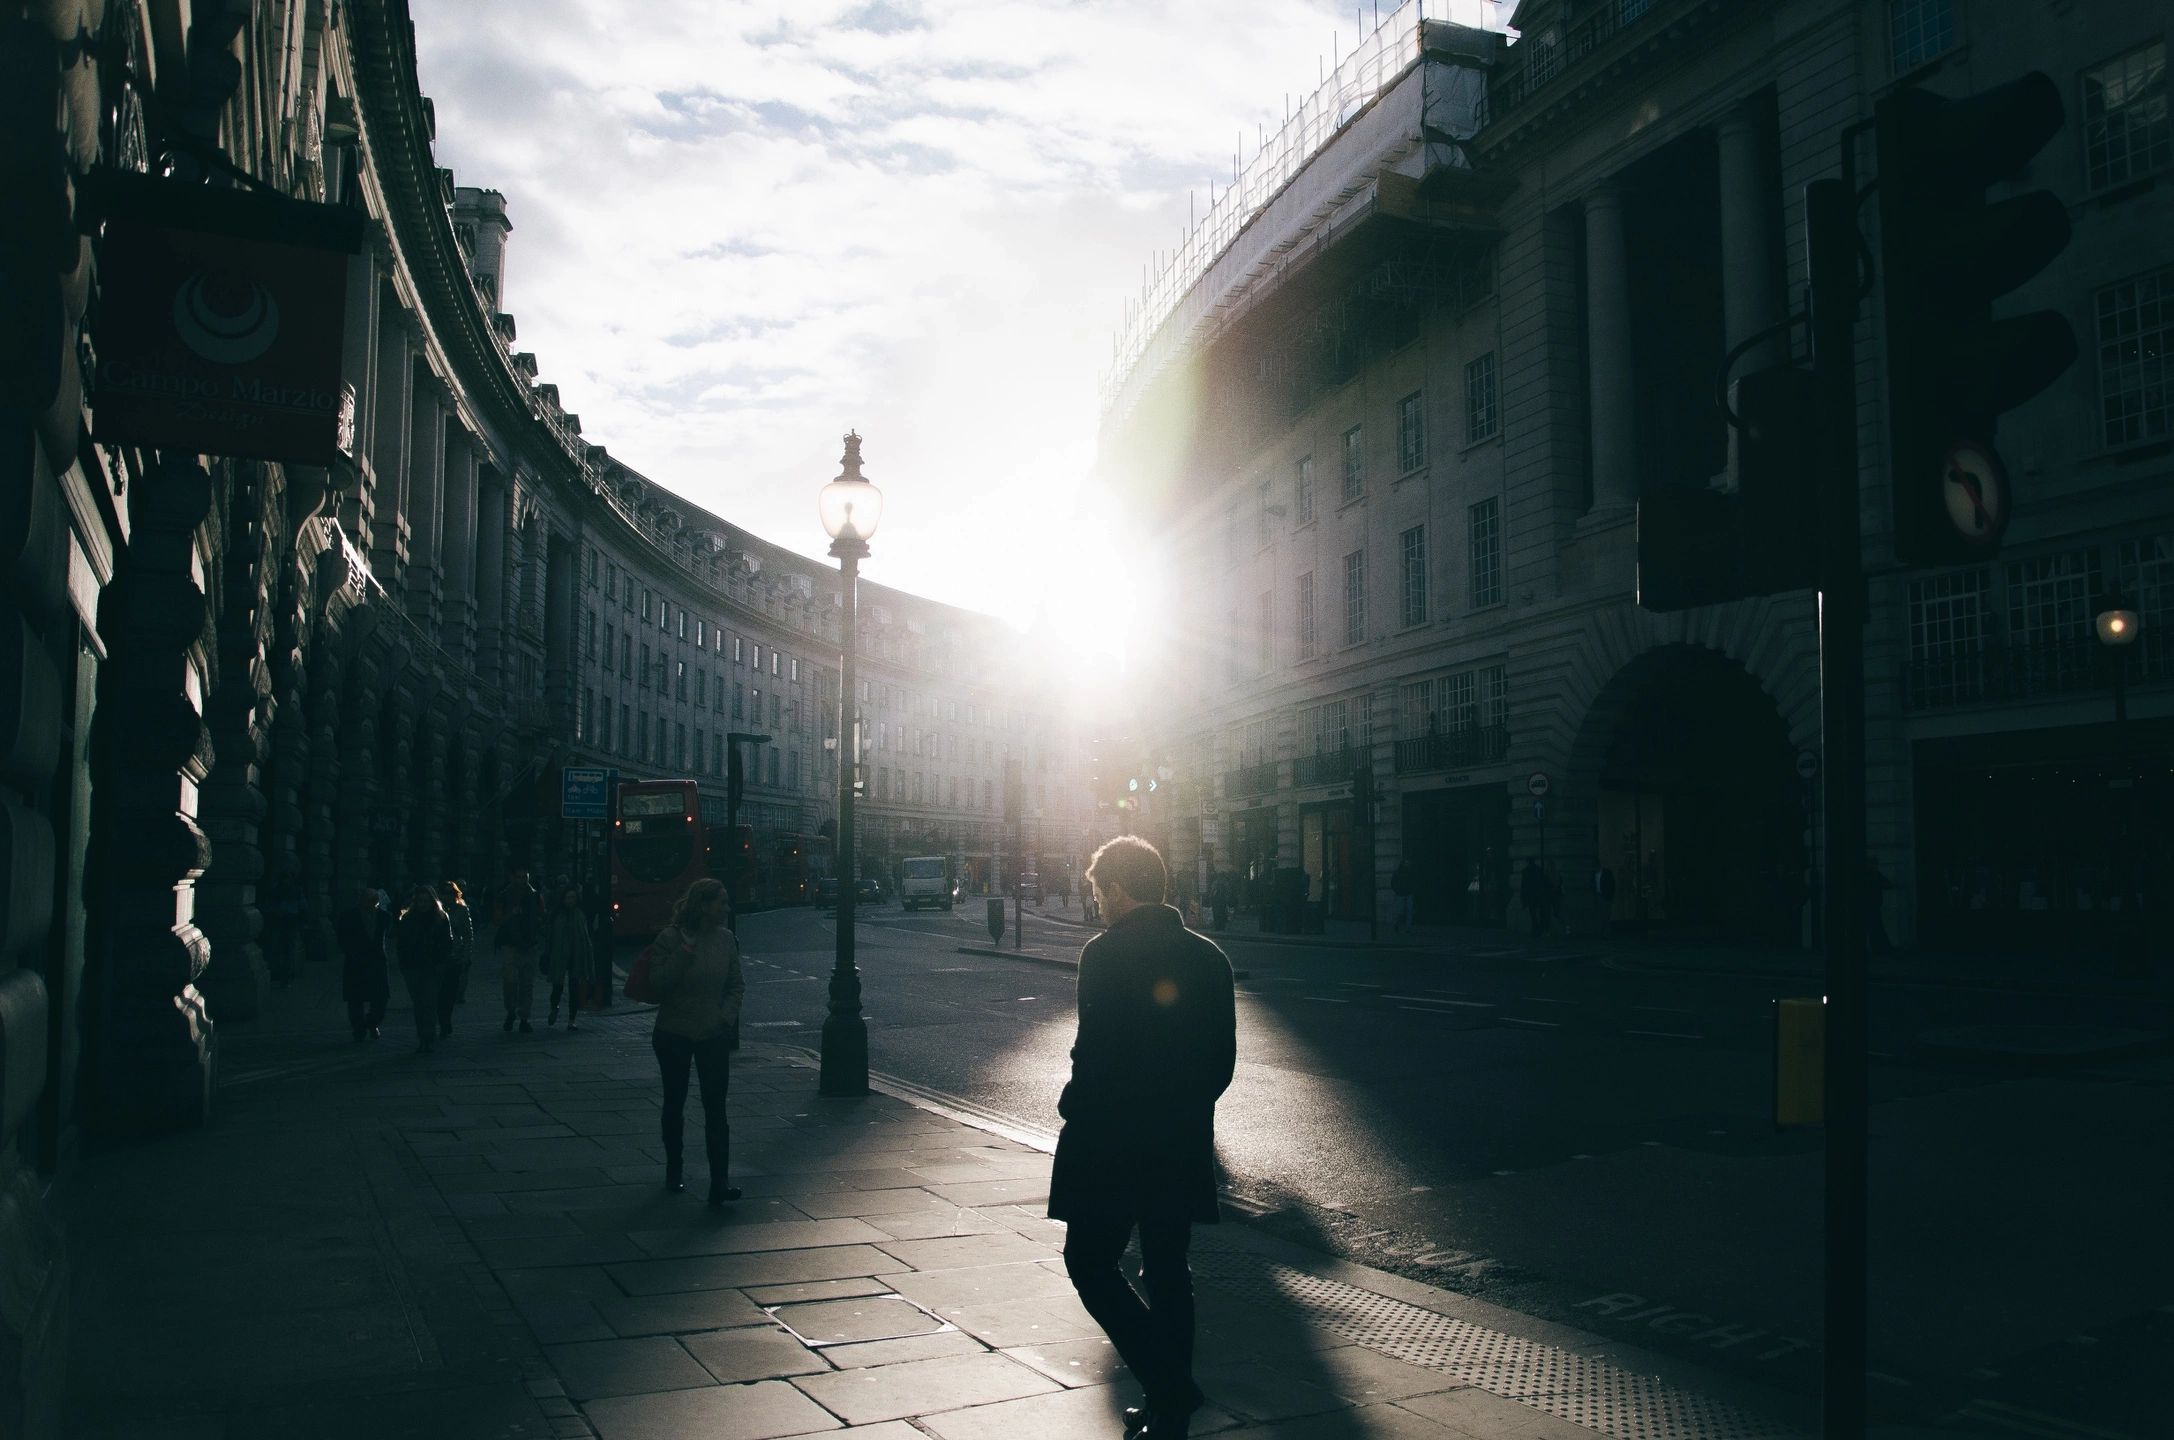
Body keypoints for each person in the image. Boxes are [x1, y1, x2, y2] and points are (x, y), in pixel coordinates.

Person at [1050, 837, 1236, 1440]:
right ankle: (1168, 1414)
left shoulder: (1103, 954)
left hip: (1111, 1143)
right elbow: (1222, 1064)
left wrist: (1074, 1105)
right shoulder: (1210, 957)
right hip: (1180, 1140)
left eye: (1099, 892)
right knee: (1166, 1268)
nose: (1097, 903)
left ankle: (1171, 1386)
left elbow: (1095, 1051)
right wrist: (1181, 1107)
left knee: (1090, 1263)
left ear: (1122, 890)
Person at [647, 876, 746, 1206]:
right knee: (674, 1104)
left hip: (712, 1034)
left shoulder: (727, 940)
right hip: (673, 1033)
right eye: (722, 902)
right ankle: (674, 1170)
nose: (727, 908)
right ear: (704, 905)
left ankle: (720, 1182)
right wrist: (685, 950)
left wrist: (725, 1018)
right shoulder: (669, 938)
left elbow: (736, 986)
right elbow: (659, 984)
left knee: (716, 1109)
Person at [394, 884, 452, 1053]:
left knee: (429, 1002)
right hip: (413, 967)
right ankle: (423, 1037)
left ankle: (428, 1037)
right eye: (420, 901)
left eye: (427, 900)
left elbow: (447, 943)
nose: (423, 904)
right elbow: (401, 944)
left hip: (433, 967)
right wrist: (404, 964)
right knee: (419, 1003)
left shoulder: (441, 918)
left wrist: (442, 962)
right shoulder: (408, 919)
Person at [336, 884, 390, 1041]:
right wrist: (351, 953)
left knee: (380, 1001)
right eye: (368, 900)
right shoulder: (348, 917)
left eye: (374, 900)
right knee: (355, 1000)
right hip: (356, 963)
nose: (371, 903)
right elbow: (342, 939)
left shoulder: (384, 917)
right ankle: (358, 1029)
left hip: (377, 962)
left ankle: (372, 1023)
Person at [494, 869, 543, 1033]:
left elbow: (542, 915)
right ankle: (510, 1010)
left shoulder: (535, 895)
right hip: (511, 945)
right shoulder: (504, 896)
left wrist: (537, 922)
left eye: (525, 877)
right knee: (510, 981)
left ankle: (524, 1017)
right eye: (518, 876)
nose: (522, 880)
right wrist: (511, 914)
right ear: (512, 877)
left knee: (527, 984)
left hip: (530, 945)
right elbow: (497, 919)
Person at [544, 883, 592, 1030]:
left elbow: (585, 937)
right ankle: (554, 1008)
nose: (571, 900)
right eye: (568, 897)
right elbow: (550, 935)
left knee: (574, 989)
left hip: (575, 956)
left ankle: (572, 1019)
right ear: (563, 899)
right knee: (557, 986)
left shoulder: (580, 914)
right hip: (559, 955)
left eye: (573, 897)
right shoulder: (557, 915)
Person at [439, 881, 475, 1038]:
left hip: (455, 955)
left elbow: (468, 934)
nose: (447, 896)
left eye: (450, 893)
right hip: (438, 956)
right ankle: (441, 1020)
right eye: (444, 893)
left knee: (450, 992)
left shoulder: (461, 910)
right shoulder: (435, 910)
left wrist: (465, 955)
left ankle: (445, 1019)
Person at [1390, 859, 1416, 934]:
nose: (1407, 865)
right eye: (1406, 863)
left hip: (1408, 894)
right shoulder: (1397, 873)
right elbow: (1393, 883)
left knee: (1409, 912)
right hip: (1401, 894)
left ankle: (1408, 928)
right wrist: (1397, 890)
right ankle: (1397, 924)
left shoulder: (1410, 873)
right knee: (1400, 912)